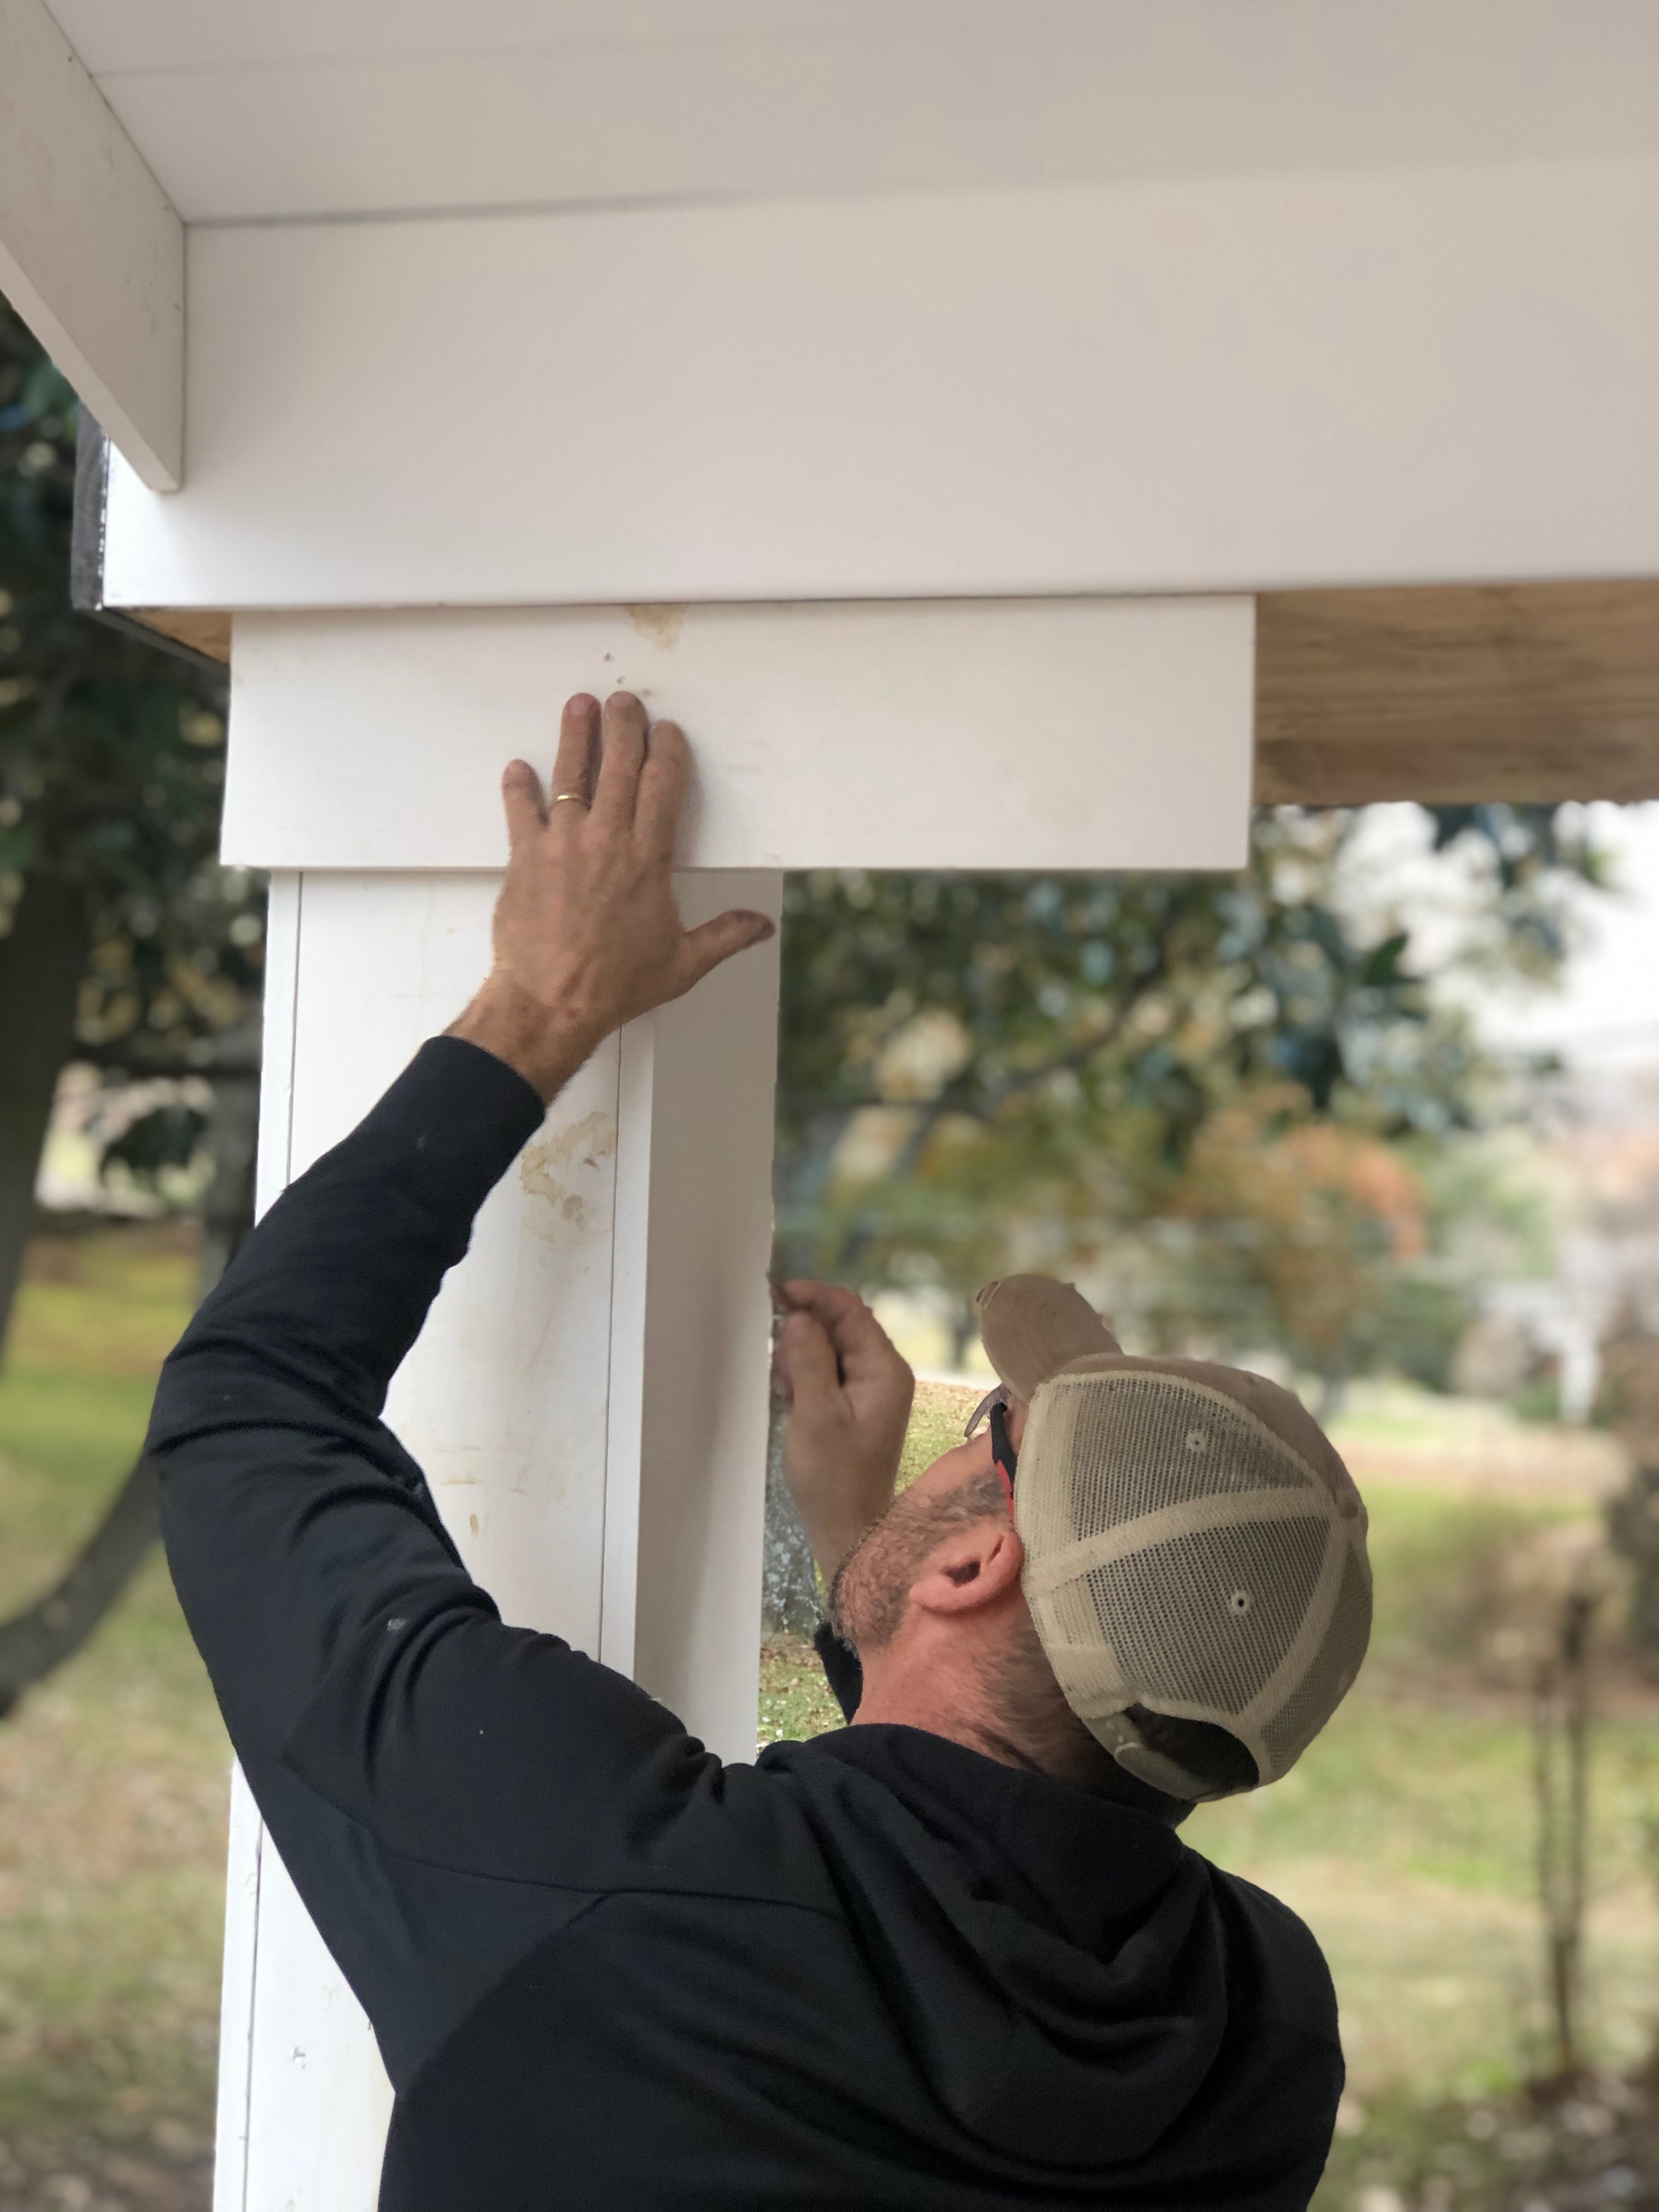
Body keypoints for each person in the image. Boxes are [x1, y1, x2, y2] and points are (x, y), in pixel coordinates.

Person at [150, 691, 1369, 2211]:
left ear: (982, 1561)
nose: (952, 1441)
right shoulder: (1255, 2041)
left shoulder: (600, 1878)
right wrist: (872, 1566)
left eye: (990, 1437)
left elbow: (247, 1411)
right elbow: (967, 1860)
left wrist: (536, 1010)